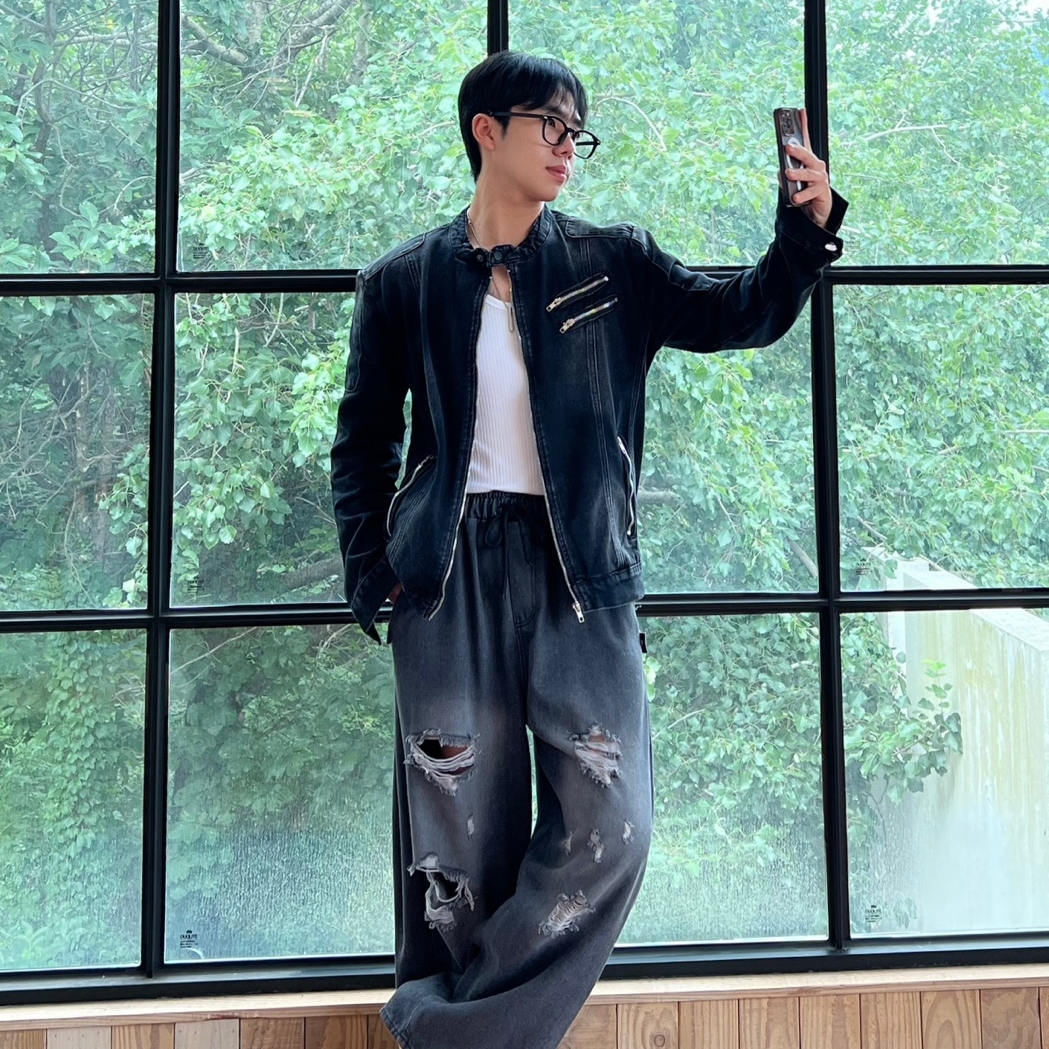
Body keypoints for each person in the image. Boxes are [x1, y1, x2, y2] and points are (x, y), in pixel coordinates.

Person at [330, 50, 845, 1049]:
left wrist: (802, 230)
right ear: (486, 130)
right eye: (550, 126)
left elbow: (739, 312)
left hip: (582, 571)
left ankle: (446, 1029)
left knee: (613, 825)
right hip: (446, 577)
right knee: (457, 841)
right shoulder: (402, 281)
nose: (569, 146)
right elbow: (362, 443)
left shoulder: (613, 262)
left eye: (579, 132)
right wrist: (370, 568)